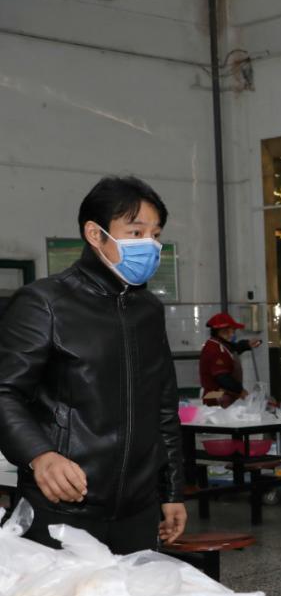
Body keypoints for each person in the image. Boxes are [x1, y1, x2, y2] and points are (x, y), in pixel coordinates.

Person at [0, 176, 187, 552]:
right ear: (95, 234)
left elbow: (163, 406)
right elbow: (5, 392)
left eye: (155, 234)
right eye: (135, 232)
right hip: (62, 505)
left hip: (138, 510)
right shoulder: (45, 303)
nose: (149, 245)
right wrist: (40, 455)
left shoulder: (149, 310)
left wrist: (171, 492)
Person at [199, 312, 263, 407]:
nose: (231, 334)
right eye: (227, 332)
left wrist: (247, 344)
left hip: (221, 394)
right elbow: (223, 378)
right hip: (213, 396)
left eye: (233, 331)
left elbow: (233, 348)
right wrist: (241, 391)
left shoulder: (220, 344)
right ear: (218, 332)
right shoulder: (214, 349)